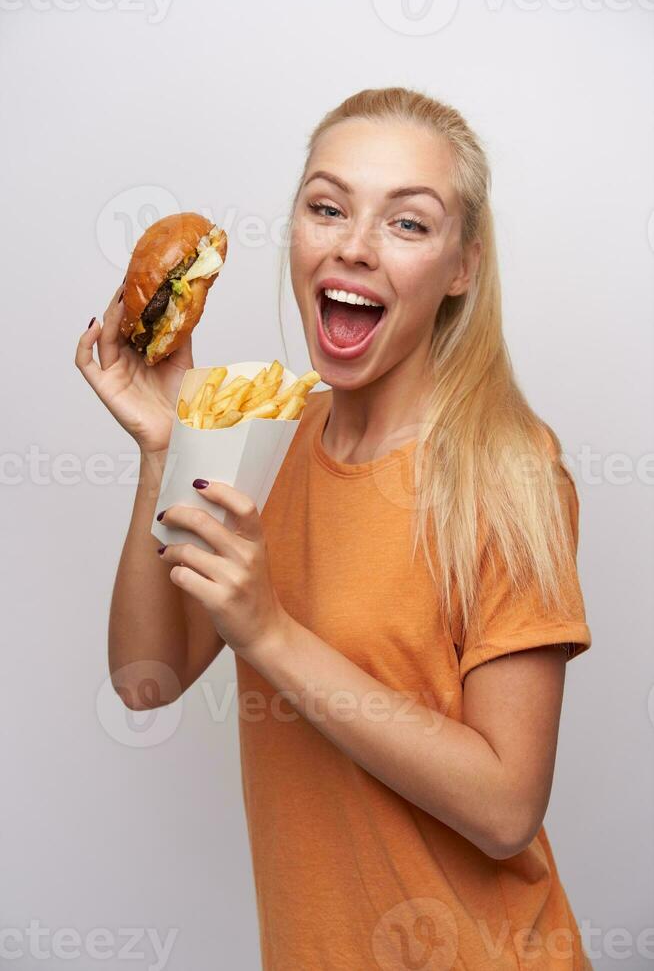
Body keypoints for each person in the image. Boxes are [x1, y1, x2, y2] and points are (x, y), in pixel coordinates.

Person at [76, 86, 594, 970]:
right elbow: (145, 680)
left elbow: (509, 811)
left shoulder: (508, 470)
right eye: (327, 208)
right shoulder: (271, 430)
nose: (353, 245)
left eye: (407, 223)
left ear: (462, 266)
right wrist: (164, 452)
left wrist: (270, 634)